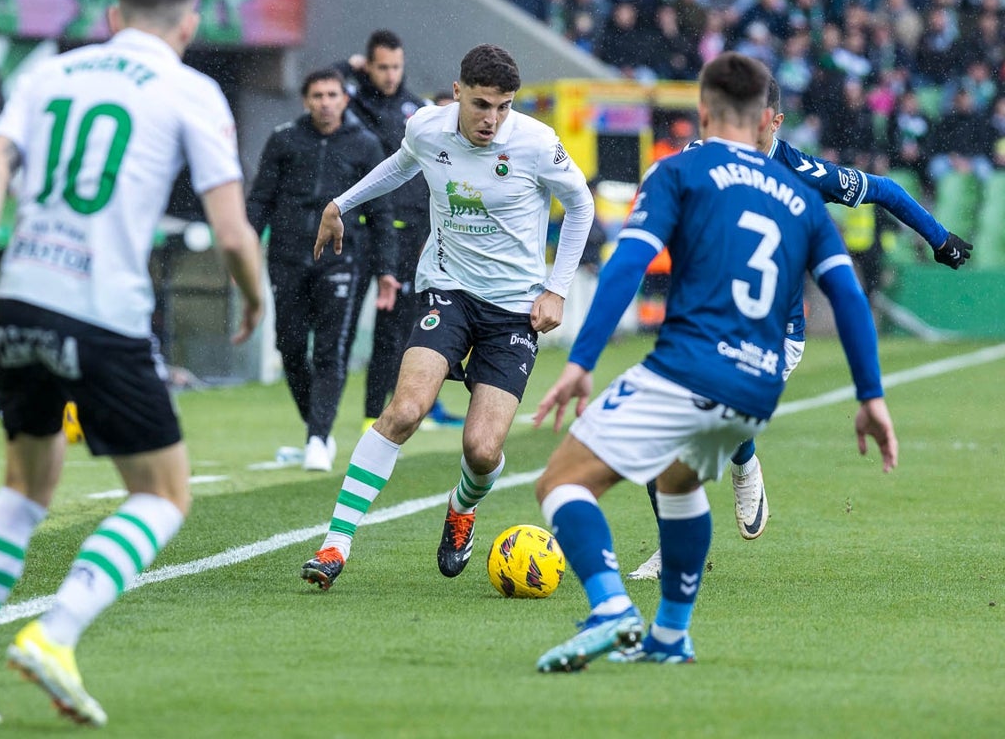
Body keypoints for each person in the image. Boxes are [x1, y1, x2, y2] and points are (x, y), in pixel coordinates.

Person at [0, 0, 263, 726]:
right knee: (163, 494)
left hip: (22, 299)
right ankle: (58, 631)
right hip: (103, 311)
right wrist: (253, 299)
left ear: (111, 14)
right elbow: (232, 229)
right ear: (188, 21)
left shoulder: (50, 74)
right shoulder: (190, 89)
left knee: (23, 487)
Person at [530, 52, 898, 671]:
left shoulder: (681, 171)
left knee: (560, 482)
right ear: (764, 121)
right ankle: (671, 636)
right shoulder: (800, 196)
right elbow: (848, 296)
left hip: (688, 366)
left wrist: (582, 359)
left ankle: (612, 611)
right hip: (757, 384)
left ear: (703, 111)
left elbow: (628, 264)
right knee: (678, 483)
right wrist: (872, 397)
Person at [626, 73, 972, 581]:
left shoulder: (800, 170)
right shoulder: (701, 157)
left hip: (772, 336)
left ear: (775, 122)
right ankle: (682, 534)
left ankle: (739, 462)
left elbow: (885, 189)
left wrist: (939, 238)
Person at [300, 43, 595, 590]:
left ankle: (462, 508)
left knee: (482, 450)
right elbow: (398, 167)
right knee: (406, 408)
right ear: (457, 93)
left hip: (513, 311)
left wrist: (556, 289)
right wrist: (340, 204)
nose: (492, 119)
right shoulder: (428, 128)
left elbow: (580, 204)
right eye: (482, 105)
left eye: (504, 106)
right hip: (448, 290)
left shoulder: (536, 143)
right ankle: (336, 544)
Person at [246, 68, 395, 472]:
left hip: (343, 260)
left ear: (344, 100)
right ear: (305, 100)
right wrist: (243, 247)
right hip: (288, 257)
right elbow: (260, 199)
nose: (325, 102)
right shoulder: (284, 139)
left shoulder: (366, 145)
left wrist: (387, 268)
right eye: (317, 95)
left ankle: (316, 438)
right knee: (290, 349)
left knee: (331, 350)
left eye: (332, 94)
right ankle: (319, 428)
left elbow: (381, 211)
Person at [337, 30, 464, 430]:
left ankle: (379, 412)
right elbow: (324, 83)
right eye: (382, 67)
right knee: (343, 328)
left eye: (396, 66)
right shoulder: (352, 103)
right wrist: (349, 67)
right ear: (369, 66)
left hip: (409, 231)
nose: (390, 75)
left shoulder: (418, 109)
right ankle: (329, 416)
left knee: (397, 329)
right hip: (363, 227)